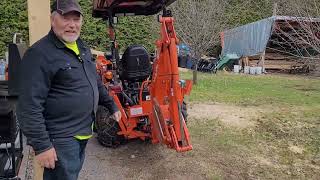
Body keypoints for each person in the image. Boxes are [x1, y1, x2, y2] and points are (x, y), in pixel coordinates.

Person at [17, 0, 121, 179]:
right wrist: (42, 146)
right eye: (66, 19)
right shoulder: (40, 54)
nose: (72, 25)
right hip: (60, 140)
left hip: (82, 133)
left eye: (76, 19)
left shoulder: (82, 47)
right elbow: (29, 105)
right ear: (53, 20)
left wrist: (111, 104)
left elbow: (94, 81)